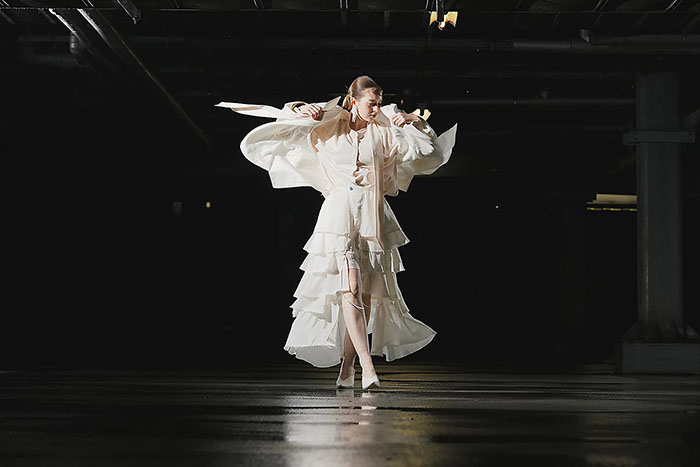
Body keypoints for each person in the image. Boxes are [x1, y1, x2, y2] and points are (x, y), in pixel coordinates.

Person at [216, 75, 458, 390]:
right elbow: (284, 129)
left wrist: (413, 121)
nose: (377, 108)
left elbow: (428, 153)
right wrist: (300, 108)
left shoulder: (385, 131)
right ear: (353, 101)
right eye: (372, 103)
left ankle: (347, 367)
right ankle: (368, 367)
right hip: (339, 215)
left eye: (379, 103)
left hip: (374, 215)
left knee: (365, 294)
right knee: (351, 287)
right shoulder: (328, 127)